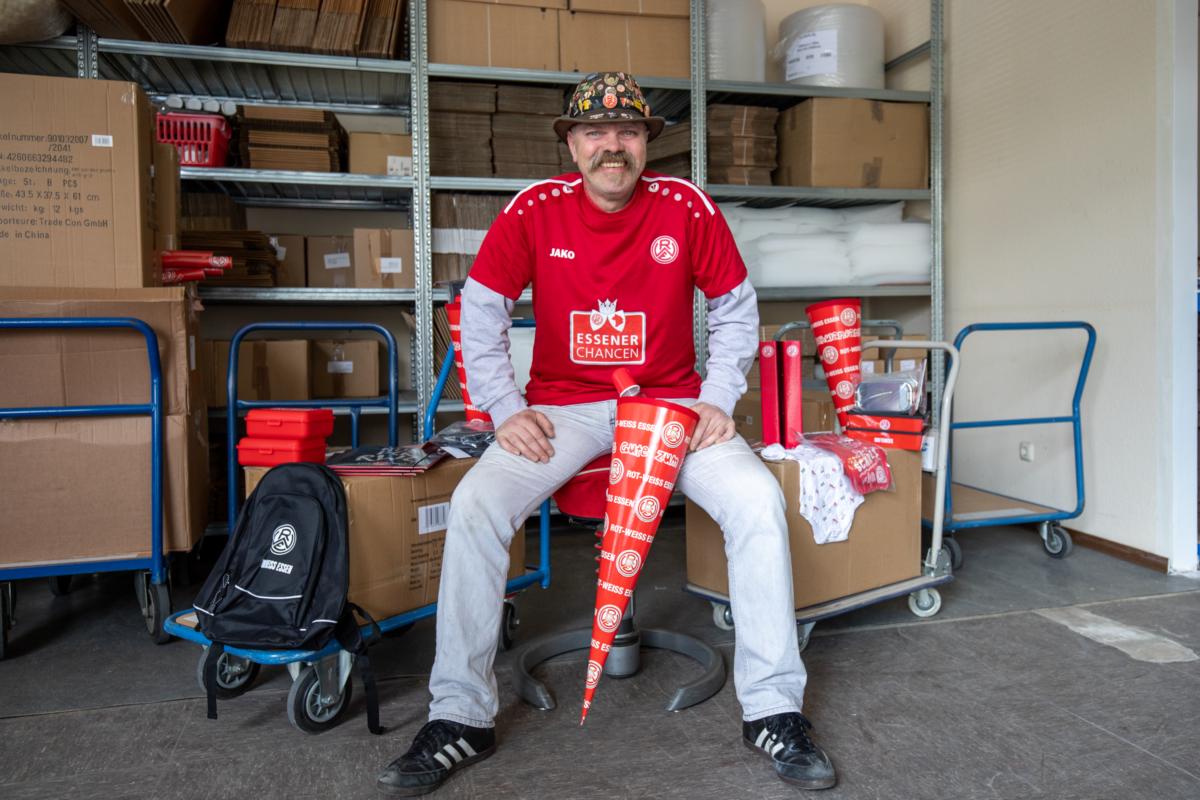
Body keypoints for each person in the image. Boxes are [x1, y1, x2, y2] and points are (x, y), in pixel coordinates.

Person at [377, 72, 836, 796]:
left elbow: (736, 308)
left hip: (674, 405)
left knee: (754, 501)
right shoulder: (535, 210)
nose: (611, 146)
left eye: (627, 131)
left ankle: (774, 708)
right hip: (566, 409)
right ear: (572, 142)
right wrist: (503, 407)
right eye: (595, 132)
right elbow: (480, 310)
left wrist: (719, 397)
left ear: (647, 140)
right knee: (475, 506)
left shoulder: (686, 207)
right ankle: (461, 716)